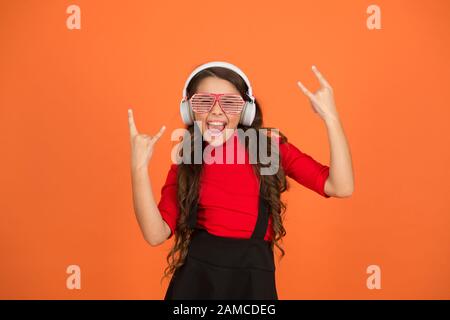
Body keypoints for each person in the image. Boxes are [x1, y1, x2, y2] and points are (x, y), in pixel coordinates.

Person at [128, 61, 354, 300]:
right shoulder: (187, 163)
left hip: (253, 284)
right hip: (195, 284)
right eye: (204, 101)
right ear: (189, 111)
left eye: (230, 102)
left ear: (246, 111)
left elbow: (341, 186)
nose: (216, 111)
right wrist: (139, 168)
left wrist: (331, 118)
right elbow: (155, 234)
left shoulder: (271, 149)